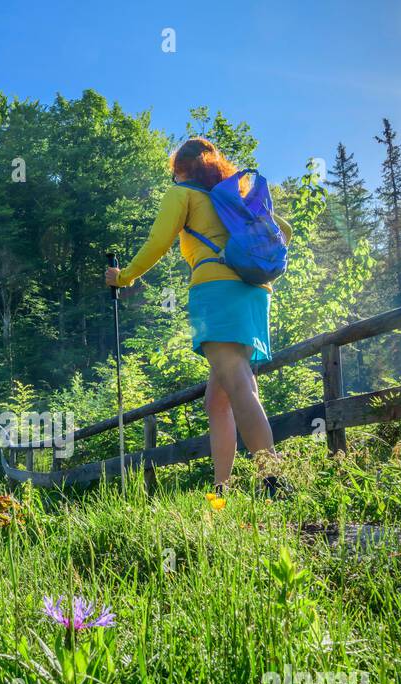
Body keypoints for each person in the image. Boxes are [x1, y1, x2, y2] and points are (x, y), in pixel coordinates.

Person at [105, 137, 292, 495]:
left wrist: (124, 276)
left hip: (215, 291)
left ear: (181, 168)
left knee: (238, 383)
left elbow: (158, 242)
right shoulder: (232, 197)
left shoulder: (183, 195)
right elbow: (284, 230)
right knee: (218, 399)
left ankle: (274, 479)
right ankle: (221, 490)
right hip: (256, 294)